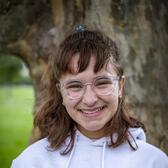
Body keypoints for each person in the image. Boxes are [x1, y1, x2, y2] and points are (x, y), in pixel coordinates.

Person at [11, 26, 168, 168]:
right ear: (60, 92)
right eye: (75, 86)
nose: (90, 99)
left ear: (120, 87)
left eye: (101, 83)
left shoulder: (153, 162)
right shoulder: (31, 162)